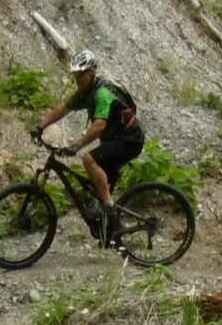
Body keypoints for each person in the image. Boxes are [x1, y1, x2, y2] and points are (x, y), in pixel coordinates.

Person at [34, 49, 145, 245]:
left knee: (89, 159)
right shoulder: (85, 92)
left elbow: (99, 124)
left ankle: (110, 213)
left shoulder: (102, 93)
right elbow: (62, 109)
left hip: (129, 140)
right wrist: (40, 127)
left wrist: (78, 145)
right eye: (75, 74)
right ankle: (109, 231)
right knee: (92, 183)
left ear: (91, 72)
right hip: (115, 139)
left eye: (81, 74)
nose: (77, 78)